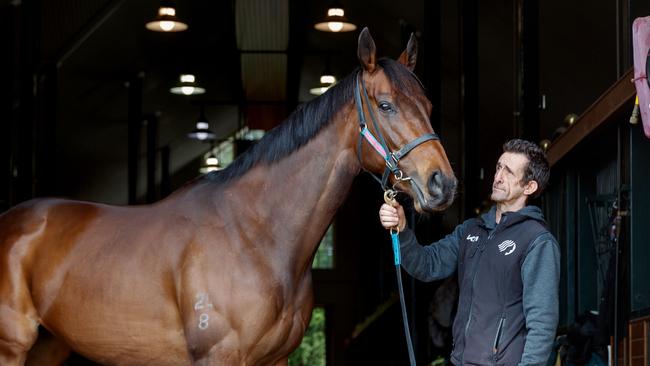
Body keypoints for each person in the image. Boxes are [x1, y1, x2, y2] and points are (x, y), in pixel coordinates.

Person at [379, 139, 560, 366]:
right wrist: (402, 230)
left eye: (509, 172)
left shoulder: (537, 241)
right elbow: (426, 265)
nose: (498, 177)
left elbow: (542, 324)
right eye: (498, 167)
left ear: (529, 187)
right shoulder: (471, 230)